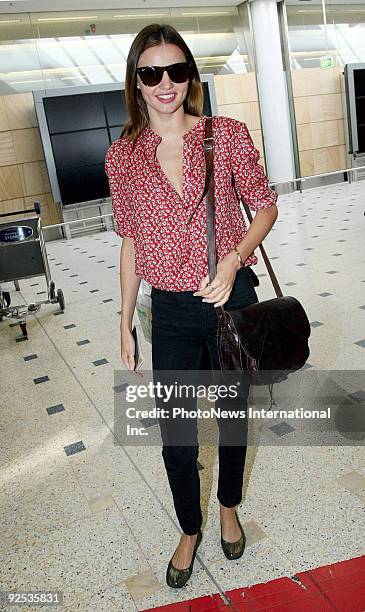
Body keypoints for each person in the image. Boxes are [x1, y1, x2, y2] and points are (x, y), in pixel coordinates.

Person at [105, 23, 278, 588]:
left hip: (233, 300)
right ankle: (189, 526)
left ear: (190, 76)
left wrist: (233, 260)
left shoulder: (225, 135)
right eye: (150, 72)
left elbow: (265, 208)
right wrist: (125, 320)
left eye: (175, 70)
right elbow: (131, 240)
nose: (165, 83)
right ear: (136, 81)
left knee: (232, 420)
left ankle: (228, 506)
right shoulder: (123, 158)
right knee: (176, 435)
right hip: (172, 312)